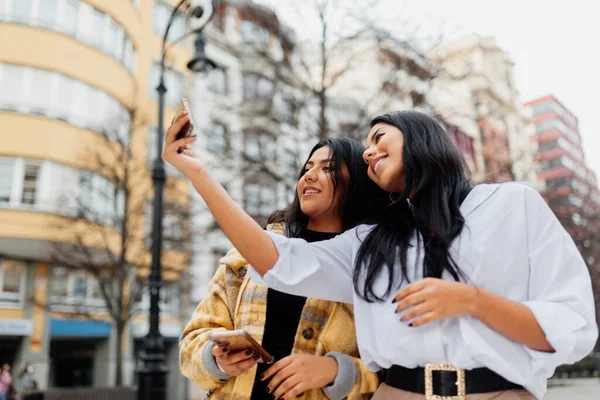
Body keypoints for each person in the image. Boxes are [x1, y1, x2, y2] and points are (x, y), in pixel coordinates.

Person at [165, 110, 598, 400]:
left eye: (377, 138)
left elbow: (571, 326)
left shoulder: (512, 205)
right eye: (366, 150)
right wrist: (199, 174)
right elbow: (279, 262)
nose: (369, 150)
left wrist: (473, 301)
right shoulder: (372, 242)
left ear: (421, 136)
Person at [179, 138, 387, 399]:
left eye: (328, 168)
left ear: (357, 183)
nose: (310, 175)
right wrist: (215, 358)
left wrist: (335, 371)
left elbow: (394, 374)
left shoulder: (375, 264)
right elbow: (190, 345)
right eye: (307, 168)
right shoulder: (249, 254)